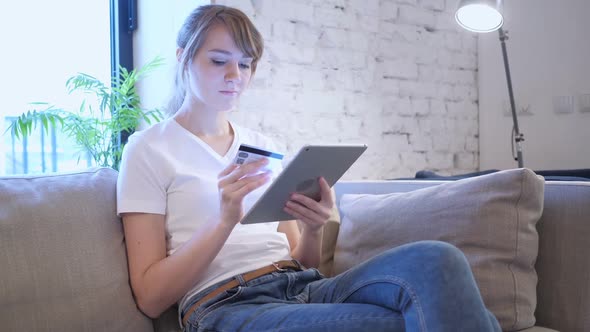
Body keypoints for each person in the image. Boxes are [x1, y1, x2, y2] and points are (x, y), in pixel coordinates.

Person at [116, 4, 501, 332]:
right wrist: (223, 221)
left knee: (438, 258)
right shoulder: (148, 149)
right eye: (219, 61)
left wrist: (314, 227)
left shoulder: (263, 148)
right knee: (436, 318)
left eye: (245, 64)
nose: (235, 76)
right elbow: (150, 298)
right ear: (183, 57)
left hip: (302, 284)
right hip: (226, 305)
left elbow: (303, 262)